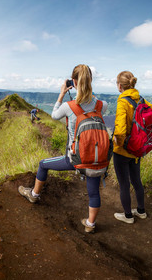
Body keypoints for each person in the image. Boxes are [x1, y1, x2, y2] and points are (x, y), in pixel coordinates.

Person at [18, 64, 108, 233]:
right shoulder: (102, 105)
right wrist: (88, 93)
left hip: (75, 158)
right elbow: (95, 104)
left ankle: (34, 195)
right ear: (90, 82)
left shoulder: (69, 106)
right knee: (93, 192)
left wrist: (61, 94)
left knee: (43, 164)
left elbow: (54, 115)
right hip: (96, 159)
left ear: (73, 82)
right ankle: (90, 224)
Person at [112, 71, 152, 224]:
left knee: (124, 184)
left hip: (123, 151)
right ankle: (141, 211)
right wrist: (140, 133)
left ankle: (127, 216)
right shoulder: (140, 99)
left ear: (119, 86)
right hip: (138, 148)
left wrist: (118, 145)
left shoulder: (123, 102)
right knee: (136, 180)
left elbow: (120, 130)